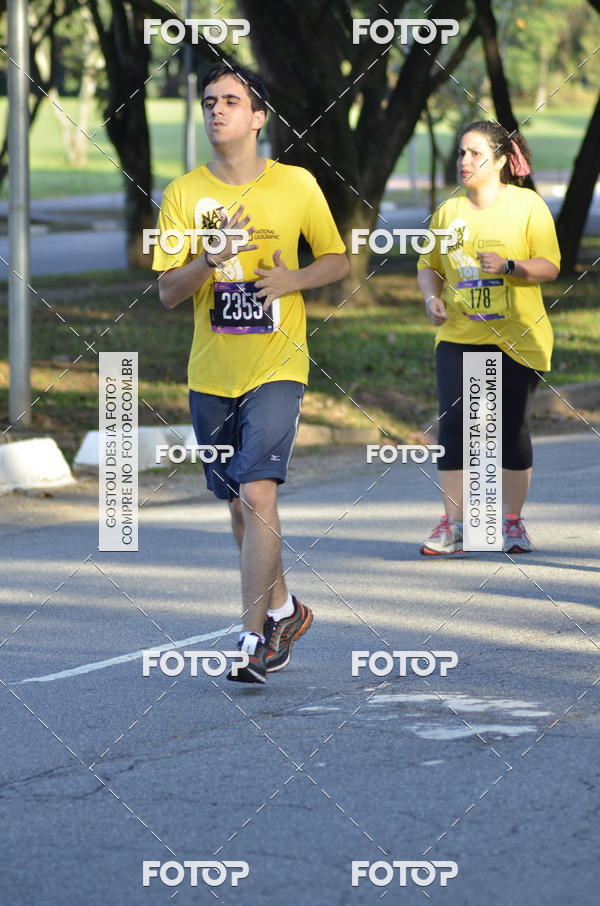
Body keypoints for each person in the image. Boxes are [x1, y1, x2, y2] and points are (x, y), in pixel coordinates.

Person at [152, 62, 348, 682]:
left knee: (258, 491)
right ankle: (286, 608)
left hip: (278, 364)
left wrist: (293, 279)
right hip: (212, 373)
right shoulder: (183, 194)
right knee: (239, 505)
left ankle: (252, 638)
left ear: (259, 116)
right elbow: (168, 292)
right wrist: (209, 260)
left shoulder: (296, 185)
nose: (216, 109)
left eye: (231, 100)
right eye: (209, 100)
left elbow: (337, 260)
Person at [416, 121, 560, 555]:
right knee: (454, 427)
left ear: (499, 161)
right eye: (462, 152)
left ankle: (511, 523)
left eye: (475, 153)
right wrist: (431, 298)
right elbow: (429, 266)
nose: (464, 161)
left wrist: (510, 267)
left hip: (517, 337)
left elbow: (550, 266)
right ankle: (454, 525)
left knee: (510, 429)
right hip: (459, 334)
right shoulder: (448, 212)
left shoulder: (527, 205)